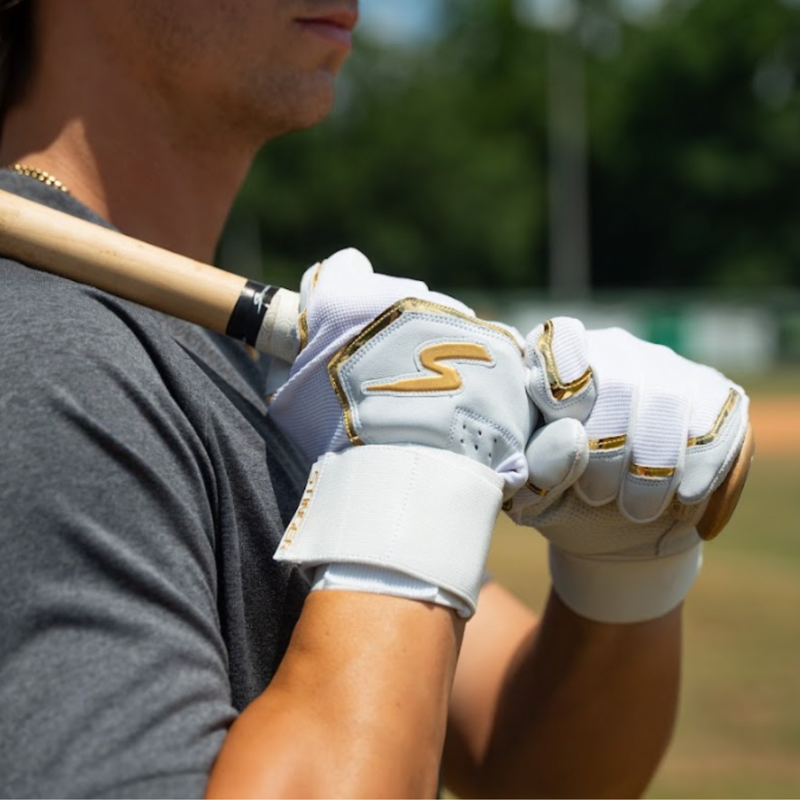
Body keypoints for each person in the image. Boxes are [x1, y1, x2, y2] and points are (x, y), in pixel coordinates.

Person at [0, 1, 749, 798]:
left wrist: (624, 573)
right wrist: (410, 488)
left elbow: (525, 760)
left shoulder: (228, 359)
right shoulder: (38, 352)